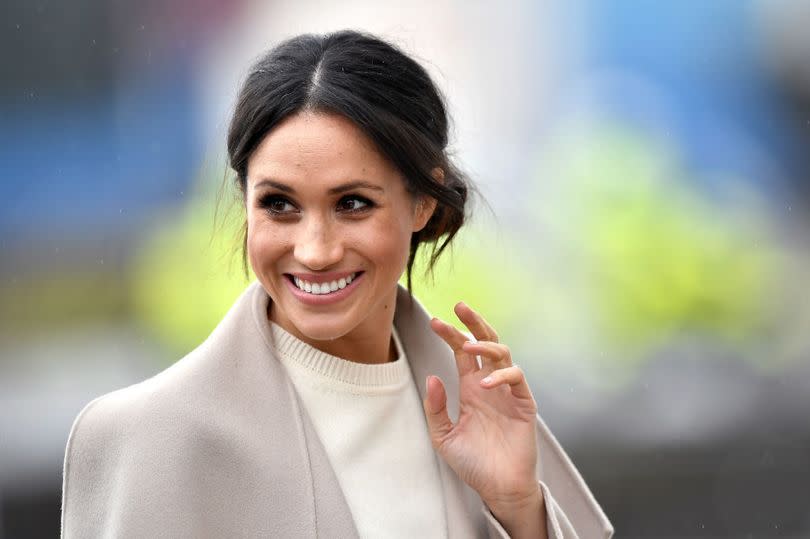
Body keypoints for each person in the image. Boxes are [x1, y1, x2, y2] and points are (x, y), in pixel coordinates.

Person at [60, 30, 613, 538]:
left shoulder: (484, 422)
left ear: (423, 200)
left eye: (353, 204)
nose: (315, 250)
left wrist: (518, 508)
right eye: (279, 205)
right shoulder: (153, 440)